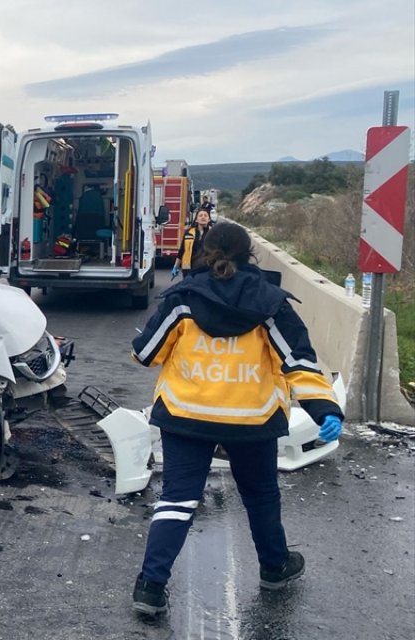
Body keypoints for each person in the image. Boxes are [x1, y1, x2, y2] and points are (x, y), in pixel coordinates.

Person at [129, 222, 344, 617]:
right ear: (250, 255)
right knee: (260, 496)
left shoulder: (183, 299)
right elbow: (298, 362)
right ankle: (275, 568)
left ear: (205, 252)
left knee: (177, 498)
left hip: (186, 415)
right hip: (252, 420)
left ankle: (150, 586)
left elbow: (146, 354)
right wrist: (324, 408)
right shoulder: (272, 303)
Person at [172, 207, 213, 279]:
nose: (203, 217)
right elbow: (182, 251)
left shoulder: (213, 232)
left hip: (207, 269)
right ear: (196, 220)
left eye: (205, 215)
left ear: (209, 219)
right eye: (200, 215)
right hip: (189, 269)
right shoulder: (189, 232)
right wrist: (176, 266)